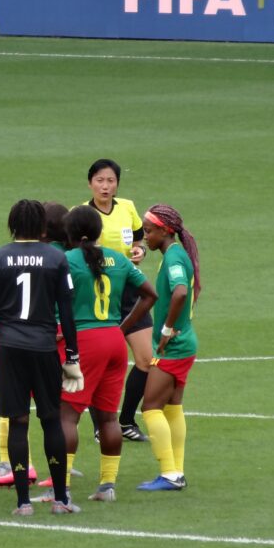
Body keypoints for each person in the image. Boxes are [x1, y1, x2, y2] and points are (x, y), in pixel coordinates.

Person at [0, 199, 83, 516]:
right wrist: (72, 355)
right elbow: (68, 312)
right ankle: (61, 499)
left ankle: (23, 503)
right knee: (50, 421)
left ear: (12, 224)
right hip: (45, 348)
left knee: (17, 423)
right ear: (42, 227)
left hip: (9, 349)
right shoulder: (56, 258)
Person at [52, 205, 156, 503]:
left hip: (84, 341)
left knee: (68, 416)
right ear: (99, 232)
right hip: (113, 340)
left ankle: (64, 488)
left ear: (69, 234)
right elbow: (150, 295)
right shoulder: (119, 260)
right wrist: (122, 327)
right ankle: (107, 486)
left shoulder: (66, 260)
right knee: (108, 417)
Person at [85, 158, 152, 442]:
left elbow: (139, 239)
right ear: (90, 183)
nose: (105, 186)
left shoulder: (127, 207)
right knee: (96, 363)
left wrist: (139, 252)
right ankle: (101, 424)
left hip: (129, 291)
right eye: (100, 180)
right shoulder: (82, 214)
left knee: (146, 360)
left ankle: (125, 420)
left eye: (110, 180)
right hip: (99, 293)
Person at [137, 204, 201, 491]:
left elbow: (181, 291)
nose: (145, 236)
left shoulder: (174, 257)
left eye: (148, 231)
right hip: (184, 343)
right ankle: (177, 471)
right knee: (173, 406)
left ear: (165, 231)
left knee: (150, 407)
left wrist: (165, 329)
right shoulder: (175, 254)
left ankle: (170, 474)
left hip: (173, 347)